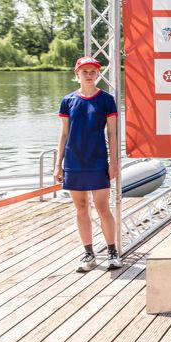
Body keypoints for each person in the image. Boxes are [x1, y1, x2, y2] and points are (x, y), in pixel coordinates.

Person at [54, 57, 121, 272]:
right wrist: (58, 164)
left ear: (98, 74)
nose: (89, 75)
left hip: (97, 160)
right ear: (77, 74)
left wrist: (113, 162)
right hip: (74, 162)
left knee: (102, 208)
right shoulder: (68, 101)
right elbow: (64, 134)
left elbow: (112, 133)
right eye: (85, 72)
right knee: (81, 208)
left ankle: (112, 252)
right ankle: (88, 253)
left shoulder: (106, 100)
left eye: (93, 71)